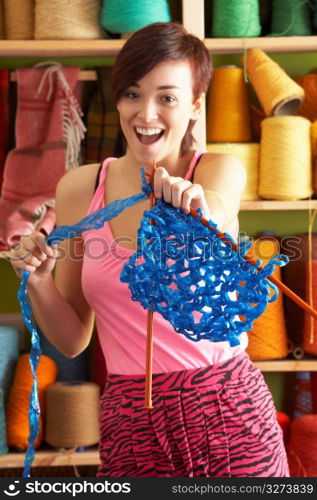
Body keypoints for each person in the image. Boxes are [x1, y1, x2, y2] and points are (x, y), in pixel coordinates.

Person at [8, 22, 289, 477]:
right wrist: (38, 281)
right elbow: (73, 338)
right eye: (133, 94)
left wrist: (194, 206)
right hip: (128, 417)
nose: (146, 113)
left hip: (225, 408)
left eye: (167, 97)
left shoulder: (217, 170)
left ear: (195, 106)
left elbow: (215, 208)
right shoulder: (81, 189)